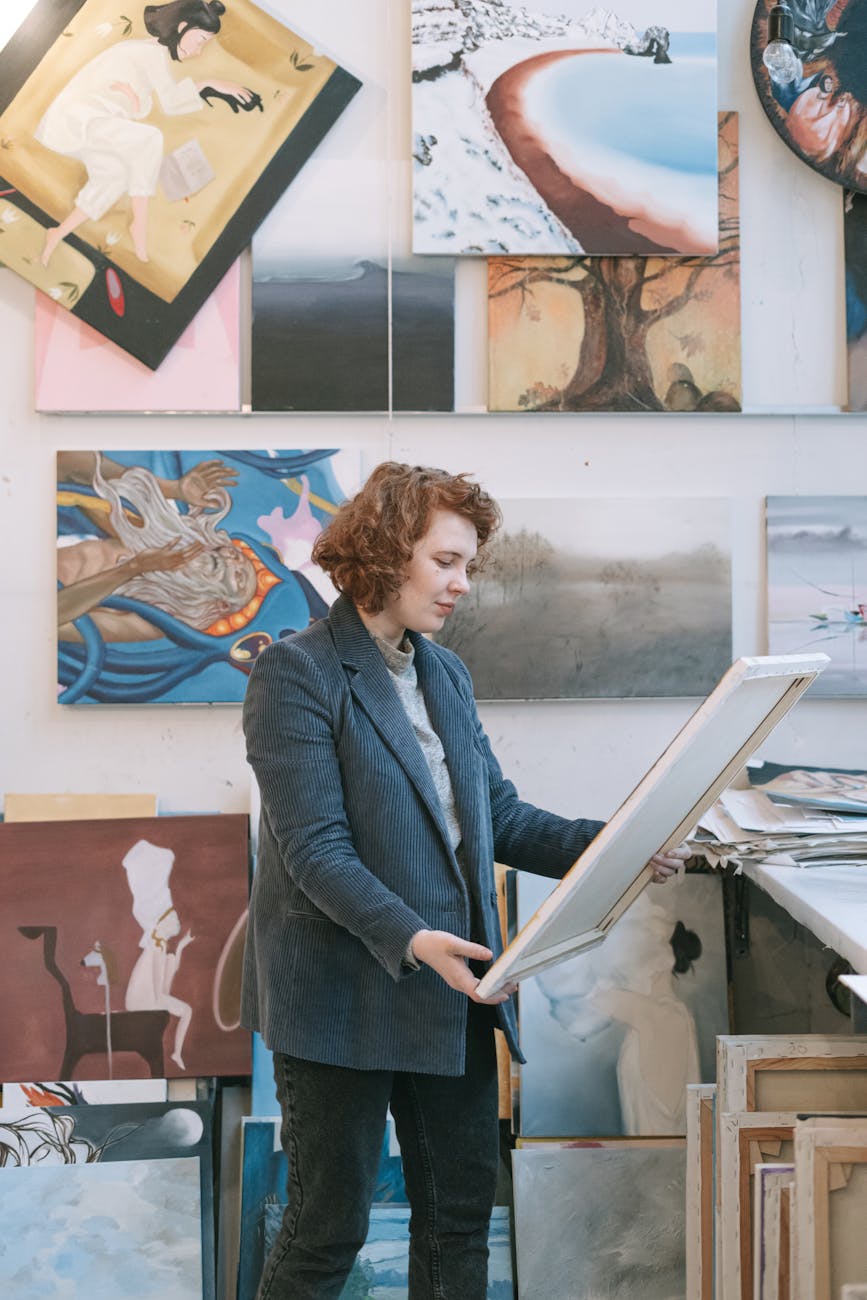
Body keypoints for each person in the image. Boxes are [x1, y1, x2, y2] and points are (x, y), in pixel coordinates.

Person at [241, 461, 687, 1299]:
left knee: (457, 1220)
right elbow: (314, 851)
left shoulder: (444, 673)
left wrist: (617, 846)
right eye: (445, 561)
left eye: (468, 566)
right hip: (338, 994)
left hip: (454, 989)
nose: (462, 585)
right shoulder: (295, 673)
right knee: (324, 1230)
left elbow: (499, 818)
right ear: (384, 552)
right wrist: (413, 939)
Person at [36, 0, 260, 266]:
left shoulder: (149, 54)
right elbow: (170, 103)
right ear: (182, 26)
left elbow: (140, 109)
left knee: (116, 176)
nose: (199, 51)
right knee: (151, 138)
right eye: (200, 40)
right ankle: (139, 225)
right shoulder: (150, 53)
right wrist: (211, 83)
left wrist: (132, 96)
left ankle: (57, 233)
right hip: (78, 119)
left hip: (91, 124)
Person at [57, 451, 257, 642]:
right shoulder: (155, 543)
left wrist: (132, 568)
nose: (233, 559)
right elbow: (72, 463)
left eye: (240, 576)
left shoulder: (154, 620)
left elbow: (48, 620)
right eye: (239, 557)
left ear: (222, 605)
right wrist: (174, 489)